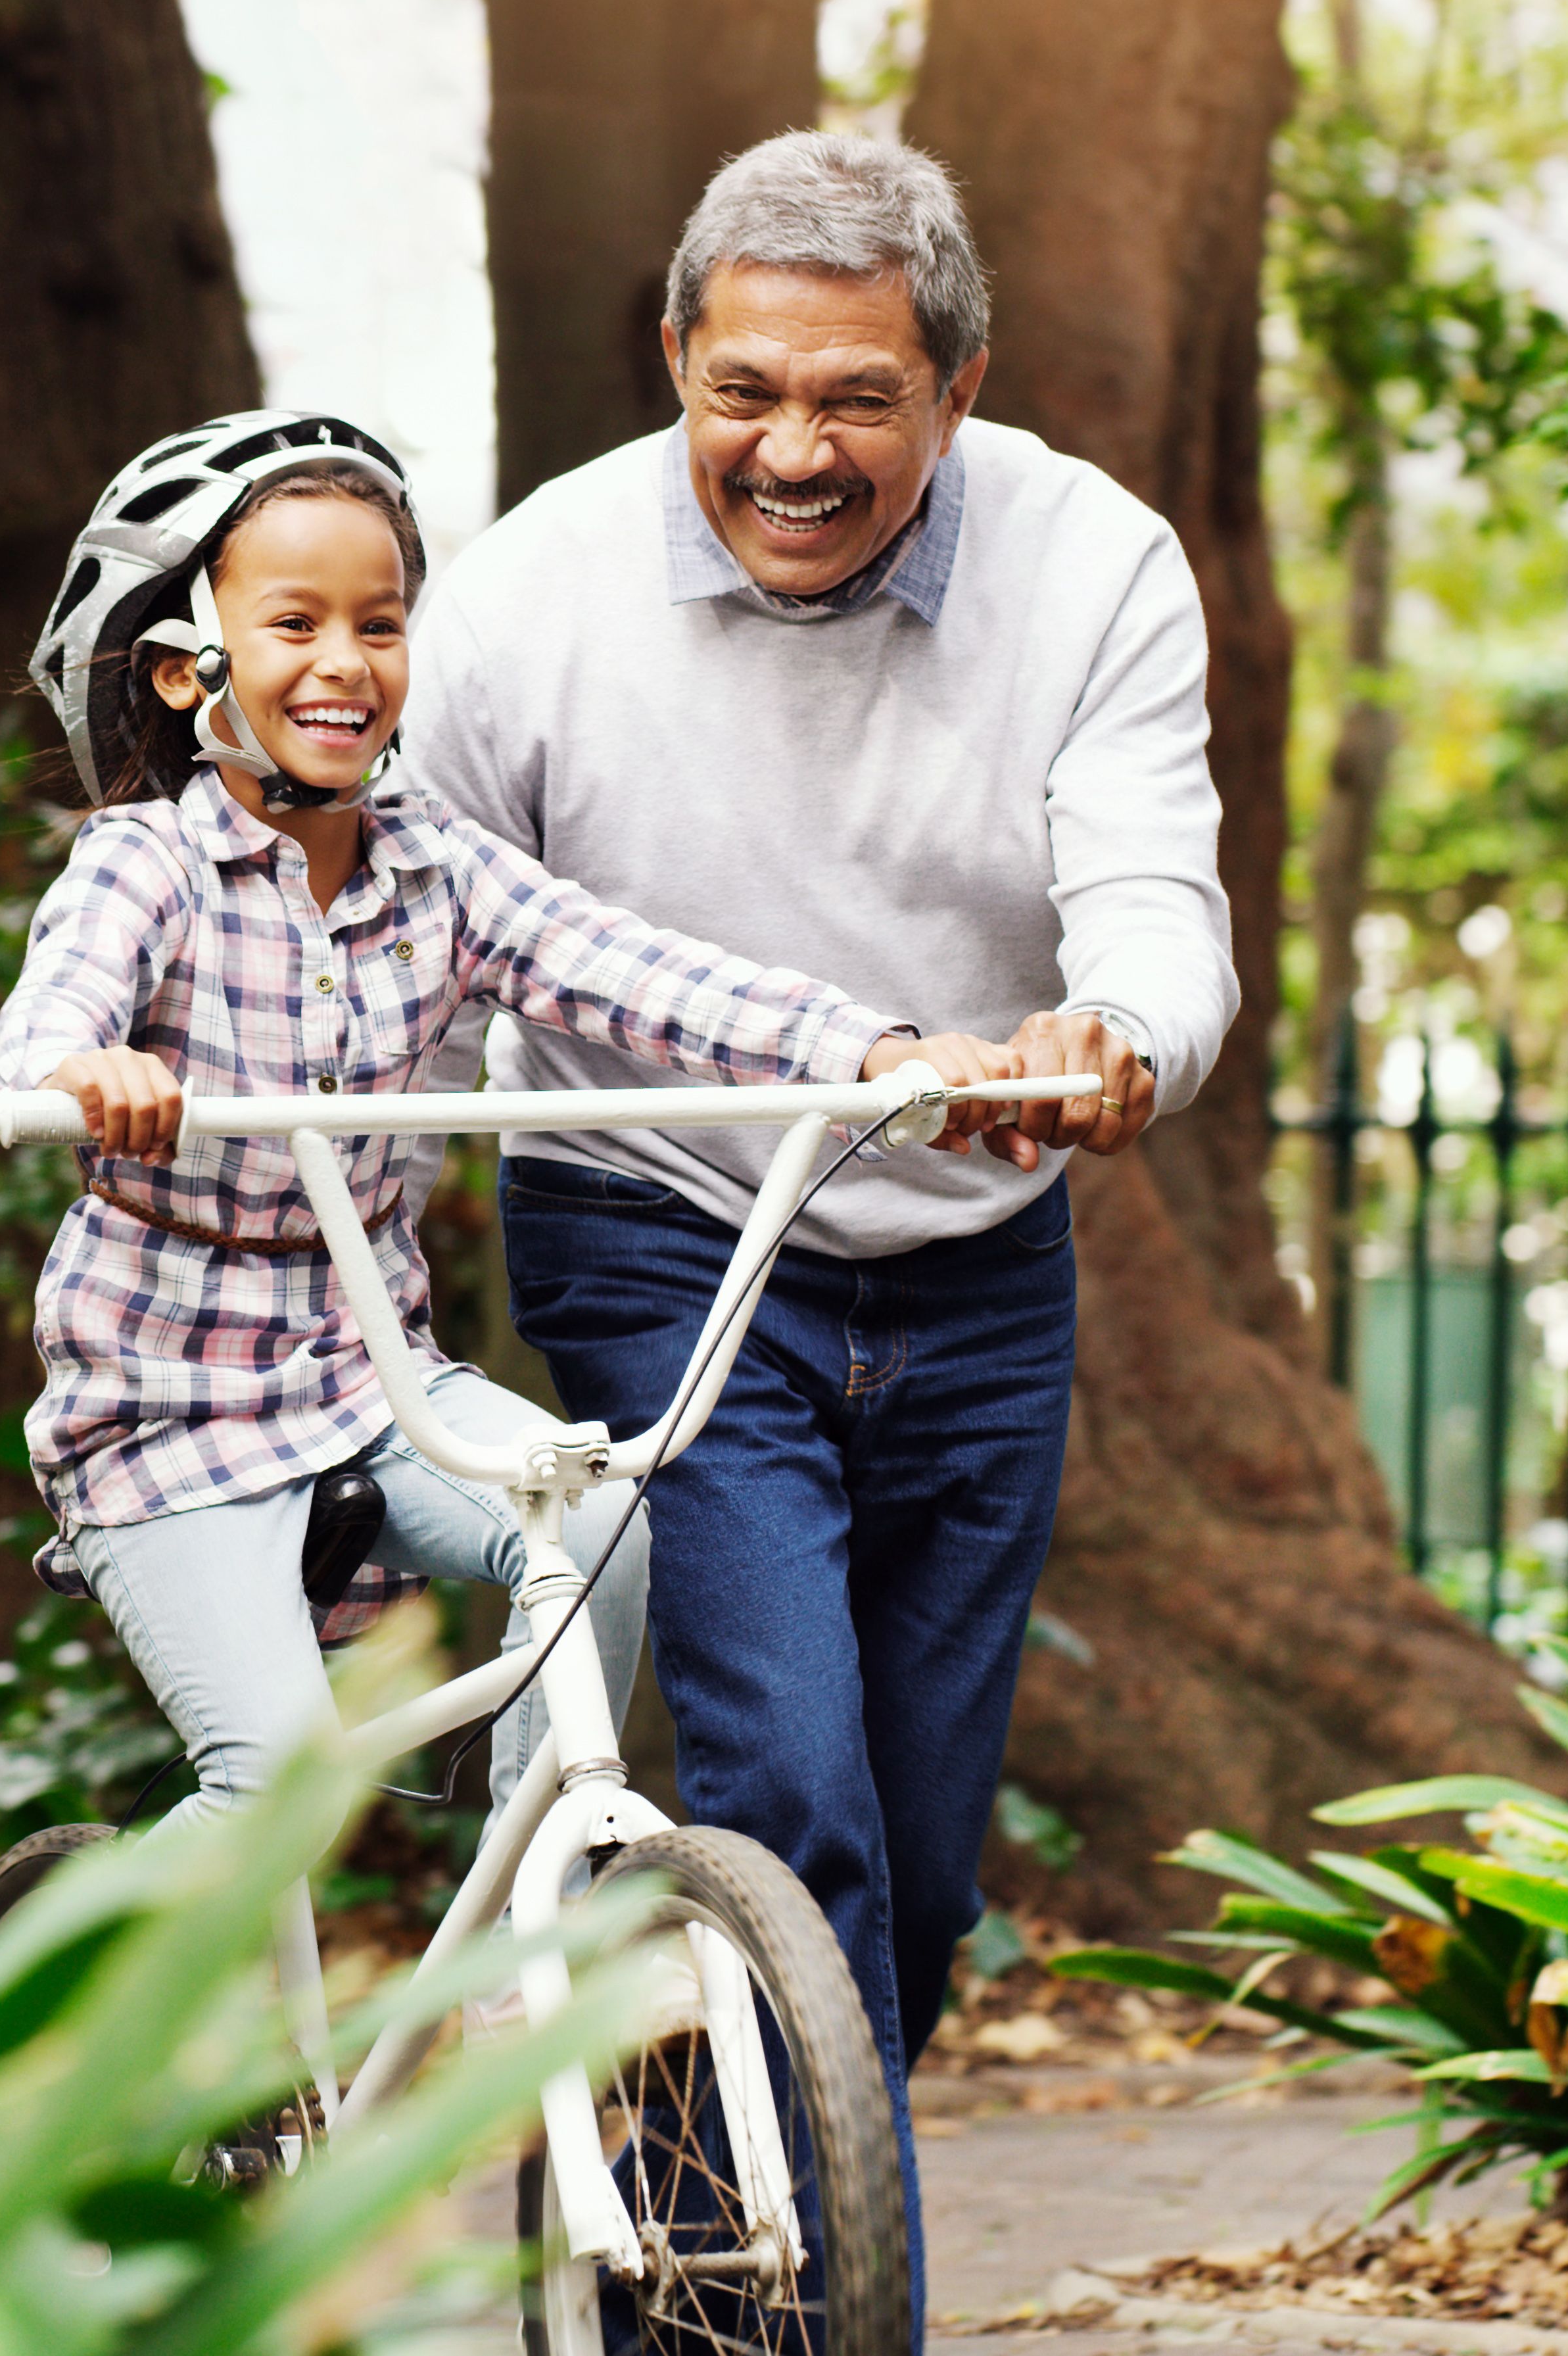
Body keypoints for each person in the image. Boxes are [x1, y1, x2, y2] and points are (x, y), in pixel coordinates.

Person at [403, 132, 1241, 2293]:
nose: (791, 449)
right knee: (790, 1790)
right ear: (674, 355)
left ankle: (716, 2241)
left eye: (854, 400)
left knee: (920, 1880)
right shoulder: (523, 597)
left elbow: (1151, 884)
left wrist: (1120, 1036)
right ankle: (792, 2316)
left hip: (975, 1245)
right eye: (742, 389)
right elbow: (397, 930)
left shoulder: (1091, 562)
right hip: (656, 1211)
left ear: (953, 393)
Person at [0, 406, 1022, 1821]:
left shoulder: (439, 870)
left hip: (370, 1384)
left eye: (380, 623)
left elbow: (647, 975)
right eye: (294, 623)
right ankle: (76, 2018)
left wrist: (883, 1049)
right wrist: (87, 1075)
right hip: (169, 1410)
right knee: (280, 1786)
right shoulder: (146, 867)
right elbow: (43, 1035)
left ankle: (522, 1942)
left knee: (596, 1512)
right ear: (186, 671)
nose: (345, 662)